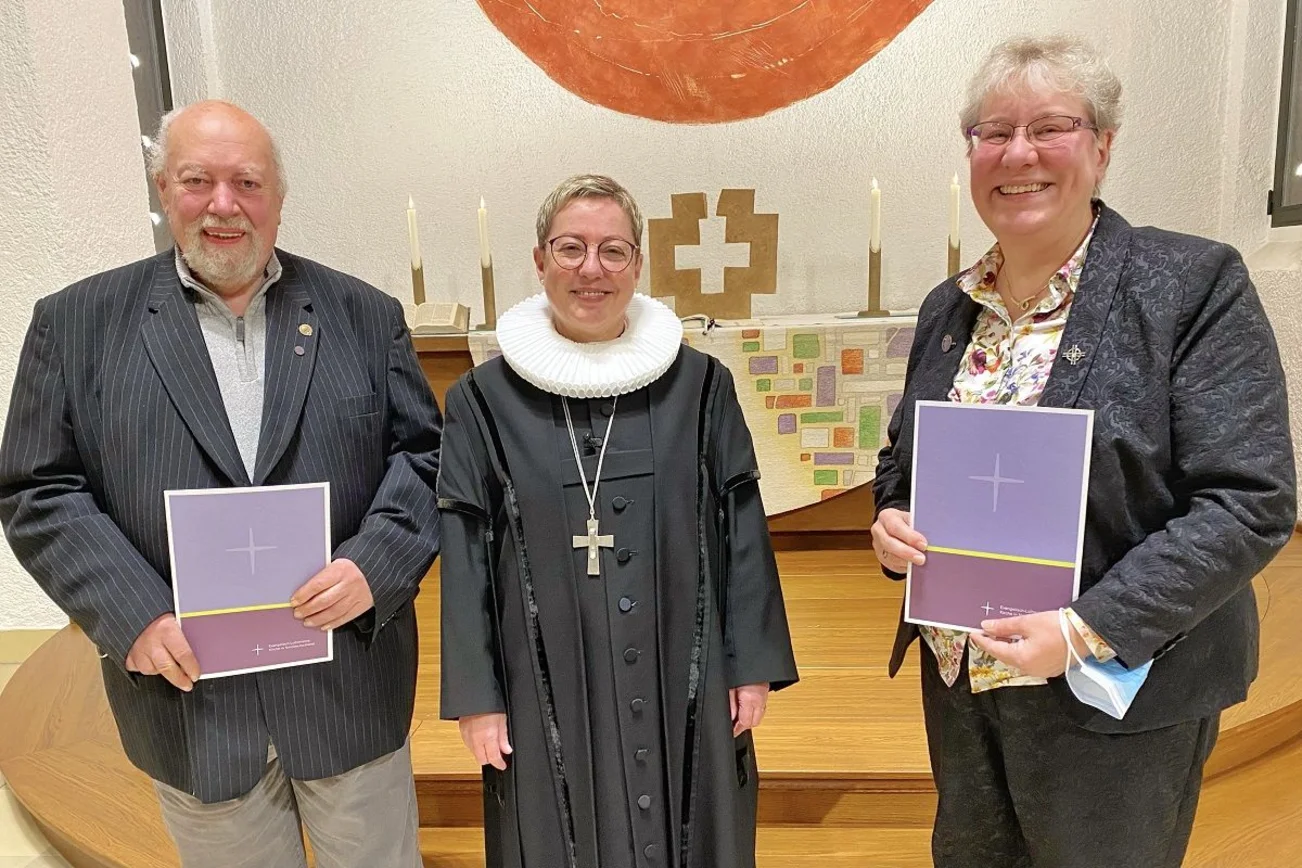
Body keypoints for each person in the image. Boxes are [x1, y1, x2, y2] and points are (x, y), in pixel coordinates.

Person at [870, 35, 1295, 868]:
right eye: (992, 132)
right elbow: (904, 461)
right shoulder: (948, 307)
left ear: (1102, 147)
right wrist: (893, 518)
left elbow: (1250, 501)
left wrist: (1084, 626)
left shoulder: (1190, 285)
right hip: (963, 682)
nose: (1016, 153)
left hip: (1112, 689)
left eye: (1050, 127)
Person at [0, 100, 442, 867]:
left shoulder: (365, 316)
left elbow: (425, 459)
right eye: (198, 180)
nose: (224, 205)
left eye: (248, 181)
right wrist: (130, 614)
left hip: (345, 684)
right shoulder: (75, 325)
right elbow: (39, 489)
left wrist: (377, 564)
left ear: (278, 196)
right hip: (190, 699)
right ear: (163, 188)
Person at [437, 173, 798, 867]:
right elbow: (466, 550)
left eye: (614, 250)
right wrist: (477, 697)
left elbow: (742, 527)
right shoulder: (481, 402)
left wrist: (749, 666)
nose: (591, 269)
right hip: (542, 676)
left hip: (681, 664)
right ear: (539, 260)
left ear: (638, 265)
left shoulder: (700, 387)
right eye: (570, 248)